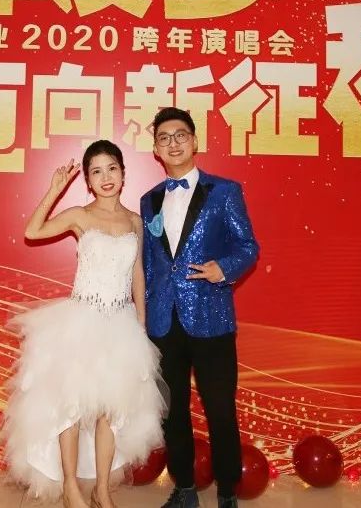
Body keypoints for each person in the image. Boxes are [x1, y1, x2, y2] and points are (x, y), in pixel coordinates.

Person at [1, 140, 166, 508]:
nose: (105, 177)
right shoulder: (80, 215)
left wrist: (141, 323)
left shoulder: (134, 221)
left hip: (121, 325)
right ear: (88, 181)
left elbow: (137, 273)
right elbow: (33, 231)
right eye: (96, 171)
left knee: (111, 410)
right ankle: (71, 487)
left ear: (123, 173)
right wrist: (54, 190)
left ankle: (102, 490)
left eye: (112, 168)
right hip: (81, 322)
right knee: (72, 407)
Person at [140, 108, 259, 508]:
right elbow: (150, 263)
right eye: (164, 138)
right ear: (155, 149)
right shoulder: (148, 201)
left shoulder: (224, 191)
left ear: (194, 141)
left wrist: (224, 268)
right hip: (163, 322)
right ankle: (185, 488)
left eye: (180, 135)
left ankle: (227, 493)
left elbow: (248, 247)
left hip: (212, 319)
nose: (172, 143)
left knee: (220, 410)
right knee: (172, 412)